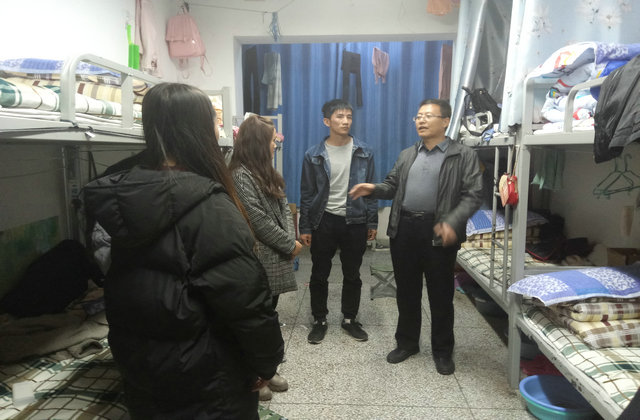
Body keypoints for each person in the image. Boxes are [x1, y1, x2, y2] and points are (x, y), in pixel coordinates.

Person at [82, 83, 284, 419]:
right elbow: (245, 304)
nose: (219, 127)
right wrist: (266, 363)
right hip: (207, 376)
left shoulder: (121, 194)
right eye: (214, 120)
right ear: (199, 129)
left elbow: (112, 270)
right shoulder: (208, 205)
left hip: (140, 363)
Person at [349, 99, 482, 375]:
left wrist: (453, 222)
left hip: (439, 230)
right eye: (418, 116)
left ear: (445, 121)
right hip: (405, 228)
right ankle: (407, 343)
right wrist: (373, 189)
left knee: (440, 295)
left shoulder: (463, 155)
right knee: (407, 292)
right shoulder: (408, 154)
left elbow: (473, 195)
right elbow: (392, 185)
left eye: (428, 116)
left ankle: (442, 351)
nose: (421, 120)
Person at [229, 115, 302, 401]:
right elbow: (257, 220)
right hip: (259, 257)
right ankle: (254, 374)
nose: (275, 145)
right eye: (272, 141)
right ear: (258, 143)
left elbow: (284, 207)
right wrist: (289, 244)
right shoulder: (239, 176)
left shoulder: (266, 171)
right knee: (255, 320)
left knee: (268, 315)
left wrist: (290, 240)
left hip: (277, 253)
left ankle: (266, 369)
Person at [299, 98, 378, 344]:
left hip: (355, 221)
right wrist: (305, 226)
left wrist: (372, 222)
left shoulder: (364, 152)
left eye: (349, 117)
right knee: (319, 273)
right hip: (324, 221)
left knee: (352, 273)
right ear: (327, 121)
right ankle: (319, 320)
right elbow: (307, 193)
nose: (346, 121)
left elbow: (371, 190)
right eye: (340, 117)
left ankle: (350, 319)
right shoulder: (313, 154)